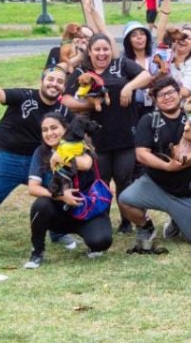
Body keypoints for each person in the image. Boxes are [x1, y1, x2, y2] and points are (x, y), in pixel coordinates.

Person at [0, 67, 71, 265]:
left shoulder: (63, 111)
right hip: (5, 155)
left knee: (57, 191)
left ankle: (58, 233)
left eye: (59, 81)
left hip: (39, 160)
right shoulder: (24, 95)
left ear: (64, 86)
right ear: (42, 81)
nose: (54, 84)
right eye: (51, 79)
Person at [62, 34, 154, 235]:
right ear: (90, 51)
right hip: (95, 139)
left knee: (124, 179)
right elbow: (66, 100)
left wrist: (129, 86)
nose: (102, 53)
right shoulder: (81, 71)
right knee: (99, 182)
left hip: (125, 135)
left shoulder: (122, 64)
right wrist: (89, 104)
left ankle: (126, 220)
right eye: (97, 49)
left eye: (106, 49)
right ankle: (100, 220)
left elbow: (147, 76)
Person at [120, 76, 191, 252]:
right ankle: (146, 226)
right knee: (125, 200)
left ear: (179, 93)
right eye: (161, 95)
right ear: (155, 100)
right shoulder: (148, 120)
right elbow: (141, 154)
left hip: (186, 191)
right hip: (155, 184)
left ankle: (177, 220)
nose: (166, 97)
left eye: (170, 93)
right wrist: (167, 166)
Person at [23, 113, 114, 268]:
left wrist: (61, 157)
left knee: (102, 241)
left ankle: (91, 241)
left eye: (54, 128)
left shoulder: (81, 146)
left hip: (86, 208)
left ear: (65, 128)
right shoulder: (41, 152)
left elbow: (86, 164)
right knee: (41, 205)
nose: (49, 133)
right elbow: (33, 188)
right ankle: (37, 252)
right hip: (59, 210)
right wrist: (60, 196)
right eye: (45, 130)